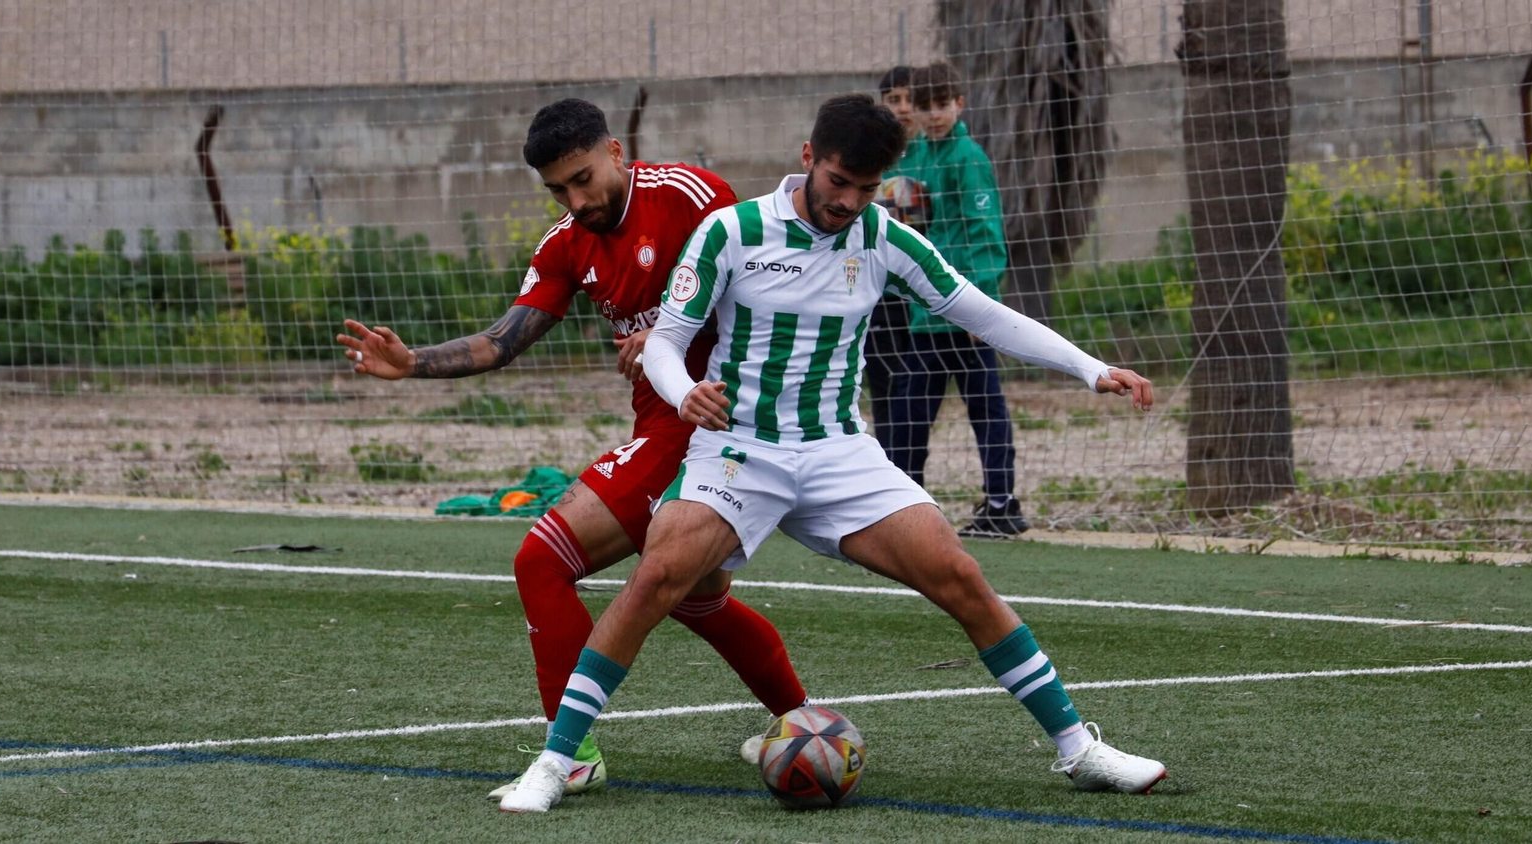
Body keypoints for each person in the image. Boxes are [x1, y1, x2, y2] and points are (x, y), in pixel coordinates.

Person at [499, 94, 1164, 814]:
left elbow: (978, 310)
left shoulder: (882, 237)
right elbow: (664, 340)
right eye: (839, 183)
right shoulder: (733, 230)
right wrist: (685, 389)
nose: (849, 202)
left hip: (838, 451)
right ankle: (557, 760)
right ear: (808, 159)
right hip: (740, 450)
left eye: (867, 188)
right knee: (658, 578)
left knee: (960, 575)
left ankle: (1080, 750)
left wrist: (1091, 369)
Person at [336, 98, 807, 800]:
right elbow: (505, 339)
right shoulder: (567, 243)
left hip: (712, 421)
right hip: (663, 427)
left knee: (542, 558)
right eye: (559, 189)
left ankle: (572, 750)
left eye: (584, 179)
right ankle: (803, 723)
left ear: (616, 152)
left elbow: (765, 282)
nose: (576, 199)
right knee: (696, 599)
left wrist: (671, 330)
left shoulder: (690, 194)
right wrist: (413, 365)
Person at [893, 62, 1029, 537]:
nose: (934, 115)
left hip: (966, 313)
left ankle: (1001, 504)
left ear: (959, 104)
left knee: (986, 409)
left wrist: (984, 305)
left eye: (942, 105)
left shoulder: (968, 157)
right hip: (925, 313)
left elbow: (985, 235)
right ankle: (902, 505)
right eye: (925, 106)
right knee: (911, 411)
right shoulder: (914, 160)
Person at [865, 65, 921, 469]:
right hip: (881, 294)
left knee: (918, 389)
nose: (903, 108)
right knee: (885, 386)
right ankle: (889, 472)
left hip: (925, 296)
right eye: (894, 100)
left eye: (911, 99)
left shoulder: (935, 158)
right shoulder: (871, 159)